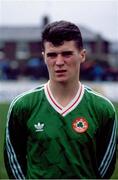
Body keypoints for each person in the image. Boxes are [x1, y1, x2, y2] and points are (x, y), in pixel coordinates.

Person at [4, 20, 117, 179]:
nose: (59, 62)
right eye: (52, 55)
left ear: (82, 55)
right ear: (44, 57)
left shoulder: (103, 109)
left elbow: (106, 165)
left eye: (67, 54)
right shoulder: (22, 106)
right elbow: (13, 160)